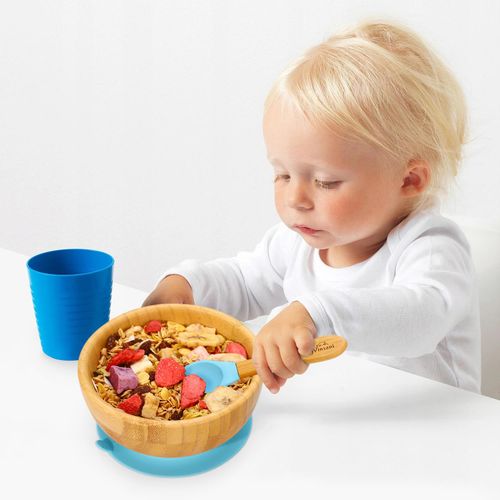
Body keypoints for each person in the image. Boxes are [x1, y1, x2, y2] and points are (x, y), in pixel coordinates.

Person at [143, 20, 481, 395]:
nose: (295, 199)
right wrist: (187, 287)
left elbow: (423, 318)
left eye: (325, 182)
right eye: (282, 175)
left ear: (409, 180)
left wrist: (319, 313)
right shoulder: (300, 243)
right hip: (340, 429)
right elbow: (245, 282)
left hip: (440, 439)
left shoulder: (430, 246)